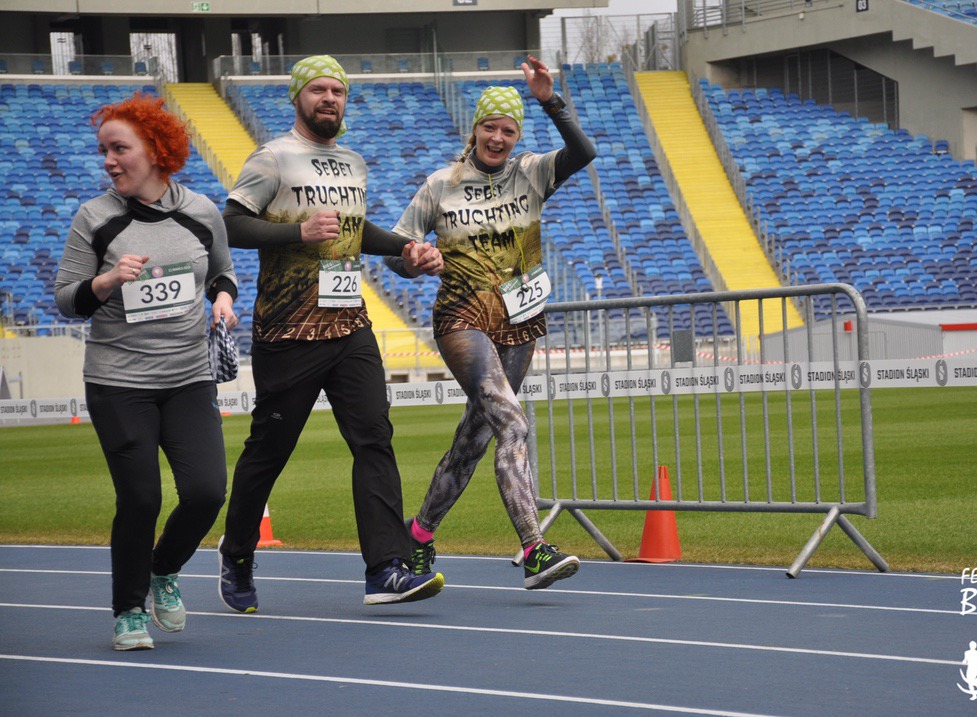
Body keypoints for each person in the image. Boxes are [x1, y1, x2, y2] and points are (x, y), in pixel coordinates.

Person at [217, 55, 445, 612]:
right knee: (269, 451)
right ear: (297, 97)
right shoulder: (272, 157)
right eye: (318, 90)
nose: (329, 99)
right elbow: (230, 223)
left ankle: (385, 569)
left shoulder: (352, 163)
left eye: (337, 91)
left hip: (348, 325)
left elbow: (354, 231)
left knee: (374, 439)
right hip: (288, 331)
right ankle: (238, 553)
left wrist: (408, 248)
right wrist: (297, 231)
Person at [390, 56, 596, 589]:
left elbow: (584, 152)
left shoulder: (532, 172)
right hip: (462, 318)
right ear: (475, 128)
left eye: (508, 130)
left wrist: (551, 100)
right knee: (514, 424)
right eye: (490, 127)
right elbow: (395, 251)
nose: (498, 138)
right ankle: (534, 548)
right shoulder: (441, 184)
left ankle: (417, 536)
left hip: (519, 321)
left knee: (474, 441)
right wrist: (413, 259)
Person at [54, 93, 238, 650]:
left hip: (188, 377)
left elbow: (222, 273)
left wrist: (223, 299)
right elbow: (67, 299)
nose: (109, 161)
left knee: (207, 492)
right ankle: (129, 610)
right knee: (140, 499)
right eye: (103, 151)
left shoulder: (201, 211)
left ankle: (164, 569)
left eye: (119, 149)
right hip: (119, 382)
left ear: (156, 150)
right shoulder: (95, 218)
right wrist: (106, 282)